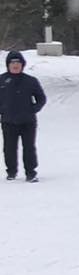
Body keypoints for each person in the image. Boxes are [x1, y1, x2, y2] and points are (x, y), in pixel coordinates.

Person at [1, 50, 46, 182]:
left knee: (29, 148)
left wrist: (33, 109)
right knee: (9, 148)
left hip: (28, 122)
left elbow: (41, 98)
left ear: (22, 64)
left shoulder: (30, 81)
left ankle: (31, 172)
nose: (15, 65)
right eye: (12, 62)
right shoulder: (2, 80)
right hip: (8, 121)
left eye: (18, 62)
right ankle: (11, 171)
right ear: (8, 65)